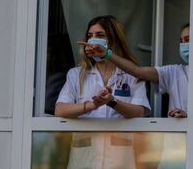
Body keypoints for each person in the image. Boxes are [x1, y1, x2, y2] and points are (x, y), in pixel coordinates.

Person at [55, 15, 151, 169]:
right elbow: (60, 110)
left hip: (120, 160)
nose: (93, 40)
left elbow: (140, 112)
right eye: (90, 36)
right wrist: (92, 105)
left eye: (99, 36)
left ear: (114, 40)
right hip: (85, 159)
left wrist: (112, 102)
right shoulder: (76, 74)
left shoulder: (131, 74)